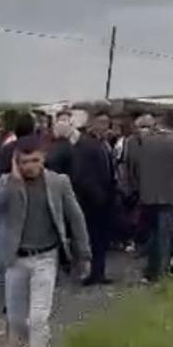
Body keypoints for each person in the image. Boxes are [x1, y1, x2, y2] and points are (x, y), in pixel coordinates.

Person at [0, 136, 91, 347]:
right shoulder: (8, 183)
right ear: (16, 162)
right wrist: (11, 181)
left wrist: (83, 254)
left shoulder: (58, 183)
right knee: (16, 320)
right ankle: (37, 343)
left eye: (35, 160)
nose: (30, 166)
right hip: (16, 260)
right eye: (24, 162)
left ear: (44, 158)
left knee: (39, 318)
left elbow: (76, 218)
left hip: (46, 257)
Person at [127, 116, 173, 281]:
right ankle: (162, 273)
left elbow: (132, 169)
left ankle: (151, 270)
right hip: (169, 194)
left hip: (147, 195)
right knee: (165, 235)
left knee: (153, 234)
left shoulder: (135, 143)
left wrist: (138, 188)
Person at [73, 111, 117, 285]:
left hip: (106, 197)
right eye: (100, 122)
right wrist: (96, 194)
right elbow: (81, 174)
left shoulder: (104, 143)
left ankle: (99, 272)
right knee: (91, 236)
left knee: (101, 238)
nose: (104, 126)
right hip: (91, 200)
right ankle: (89, 272)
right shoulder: (85, 144)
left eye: (106, 123)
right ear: (93, 123)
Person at [46, 112, 76, 177]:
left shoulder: (78, 144)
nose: (63, 124)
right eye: (62, 121)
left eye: (67, 121)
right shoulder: (50, 143)